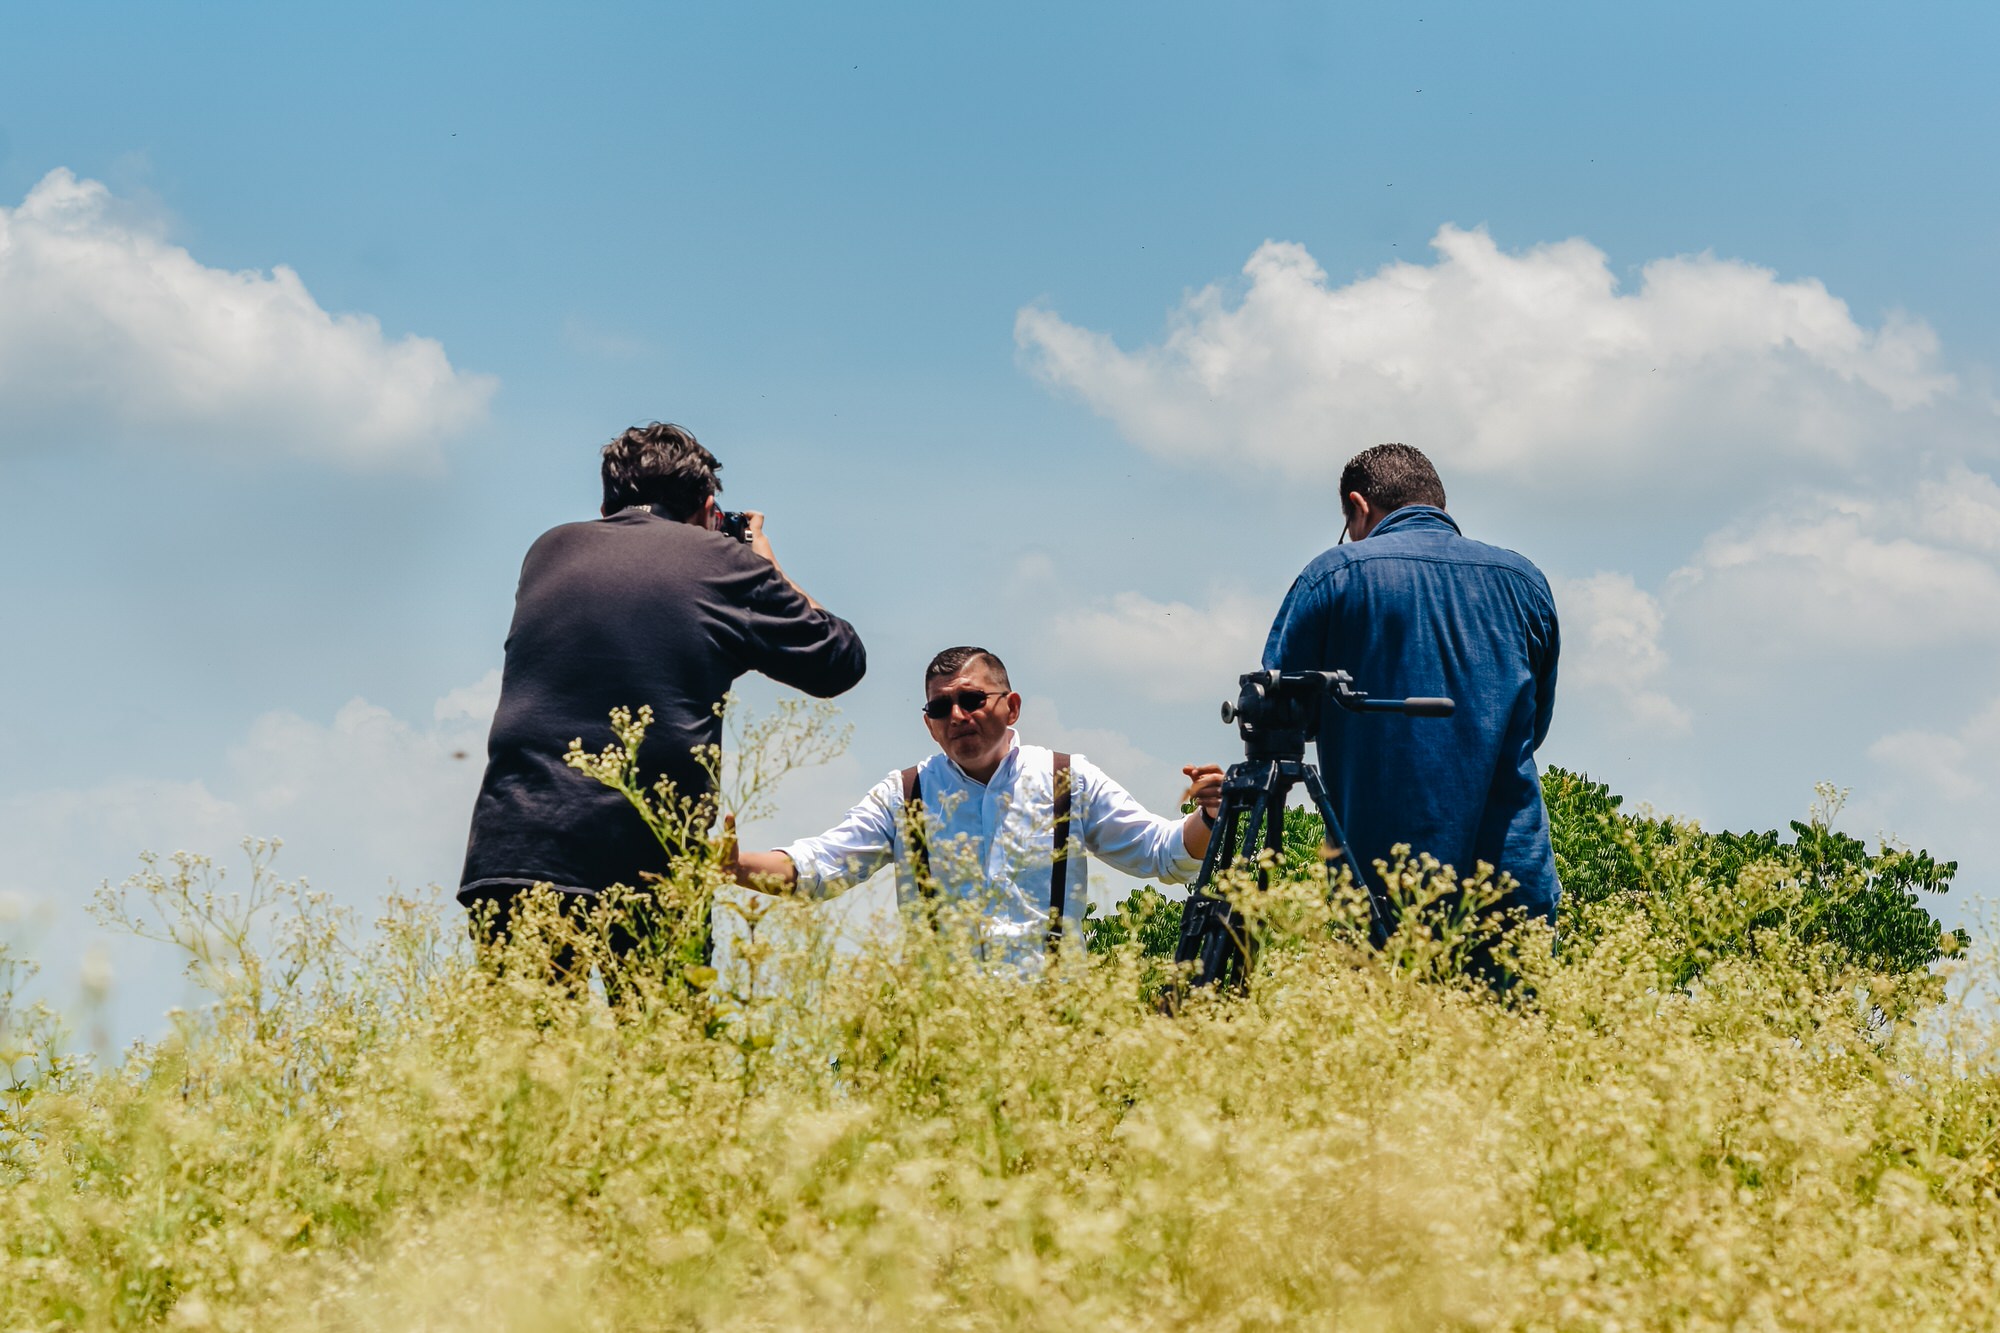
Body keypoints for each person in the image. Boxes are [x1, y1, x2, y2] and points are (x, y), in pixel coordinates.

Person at [459, 421, 867, 958]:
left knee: (524, 1043)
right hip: (647, 861)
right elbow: (838, 661)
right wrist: (763, 563)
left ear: (608, 505)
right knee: (657, 1041)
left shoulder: (550, 548)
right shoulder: (724, 564)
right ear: (706, 505)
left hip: (516, 852)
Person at [730, 646, 1223, 972]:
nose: (957, 716)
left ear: (1012, 706)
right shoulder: (904, 795)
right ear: (928, 724)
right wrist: (732, 866)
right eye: (940, 708)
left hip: (1049, 1022)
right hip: (941, 1027)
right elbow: (821, 867)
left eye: (971, 699)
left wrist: (1211, 817)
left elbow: (1162, 852)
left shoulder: (1066, 780)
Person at [1263, 442, 1560, 936]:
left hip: (1381, 880)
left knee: (1388, 1012)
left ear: (1358, 507)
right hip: (1513, 881)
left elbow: (1284, 714)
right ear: (1437, 503)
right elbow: (1535, 725)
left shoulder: (1333, 575)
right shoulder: (1524, 581)